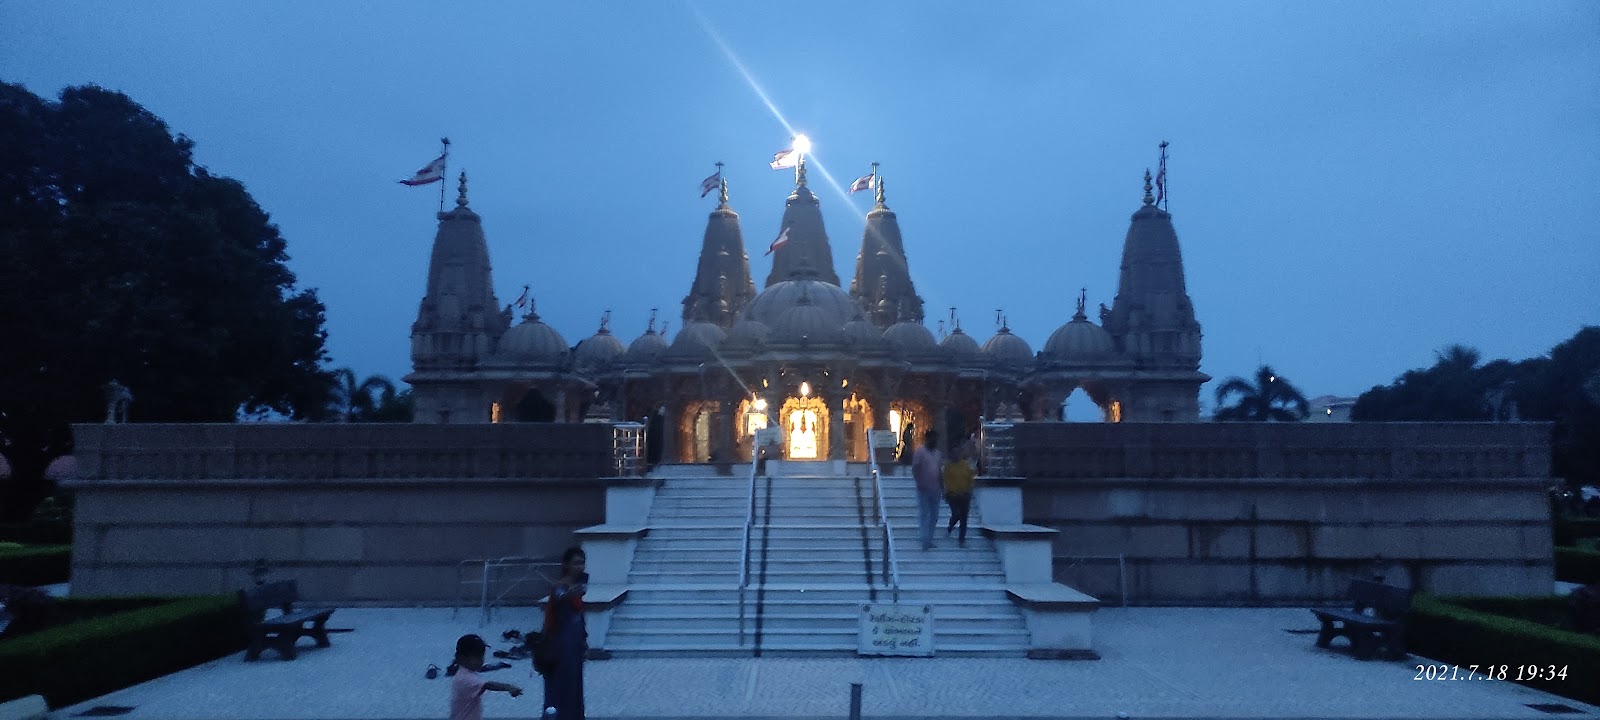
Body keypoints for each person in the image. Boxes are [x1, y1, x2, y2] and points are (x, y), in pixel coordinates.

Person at [541, 547, 588, 719]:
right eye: (576, 563)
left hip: (574, 645)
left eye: (582, 563)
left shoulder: (577, 587)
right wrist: (570, 593)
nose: (580, 567)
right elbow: (561, 596)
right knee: (561, 685)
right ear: (566, 565)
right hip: (561, 646)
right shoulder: (560, 587)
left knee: (574, 686)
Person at [450, 634, 522, 720]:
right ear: (461, 658)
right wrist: (508, 687)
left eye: (482, 656)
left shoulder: (467, 673)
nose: (481, 660)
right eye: (476, 657)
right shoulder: (464, 678)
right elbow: (487, 685)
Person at [911, 429, 944, 550]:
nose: (935, 441)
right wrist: (919, 481)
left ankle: (930, 539)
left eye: (936, 439)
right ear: (927, 439)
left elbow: (940, 471)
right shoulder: (920, 452)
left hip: (936, 489)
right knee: (924, 514)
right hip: (923, 488)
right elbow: (915, 468)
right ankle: (925, 540)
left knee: (934, 515)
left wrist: (943, 487)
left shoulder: (938, 454)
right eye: (933, 438)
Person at [943, 444, 976, 547]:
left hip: (964, 495)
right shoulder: (948, 467)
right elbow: (946, 481)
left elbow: (970, 478)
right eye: (954, 453)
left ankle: (962, 540)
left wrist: (969, 490)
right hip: (952, 495)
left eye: (957, 453)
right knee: (956, 514)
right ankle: (950, 526)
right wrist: (949, 492)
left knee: (964, 518)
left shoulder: (965, 465)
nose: (956, 455)